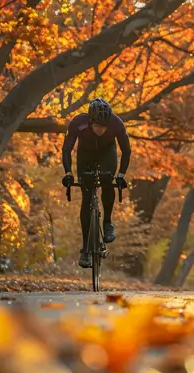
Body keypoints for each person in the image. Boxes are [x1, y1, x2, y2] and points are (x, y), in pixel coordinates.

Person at [61, 98, 131, 268]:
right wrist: (68, 173)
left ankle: (107, 222)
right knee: (87, 196)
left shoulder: (117, 124)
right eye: (98, 126)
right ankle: (86, 249)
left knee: (108, 181)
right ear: (90, 121)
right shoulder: (79, 122)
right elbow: (67, 149)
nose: (101, 130)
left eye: (105, 126)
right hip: (85, 155)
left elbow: (126, 150)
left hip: (108, 154)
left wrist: (121, 175)